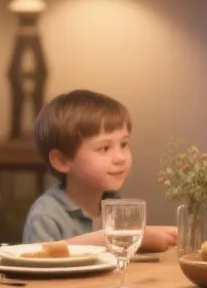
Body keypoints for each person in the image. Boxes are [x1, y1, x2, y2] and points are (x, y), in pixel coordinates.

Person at [22, 88, 177, 251]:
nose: (121, 158)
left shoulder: (113, 205)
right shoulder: (47, 215)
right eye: (104, 148)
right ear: (62, 161)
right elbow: (37, 258)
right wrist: (105, 239)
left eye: (124, 144)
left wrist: (155, 235)